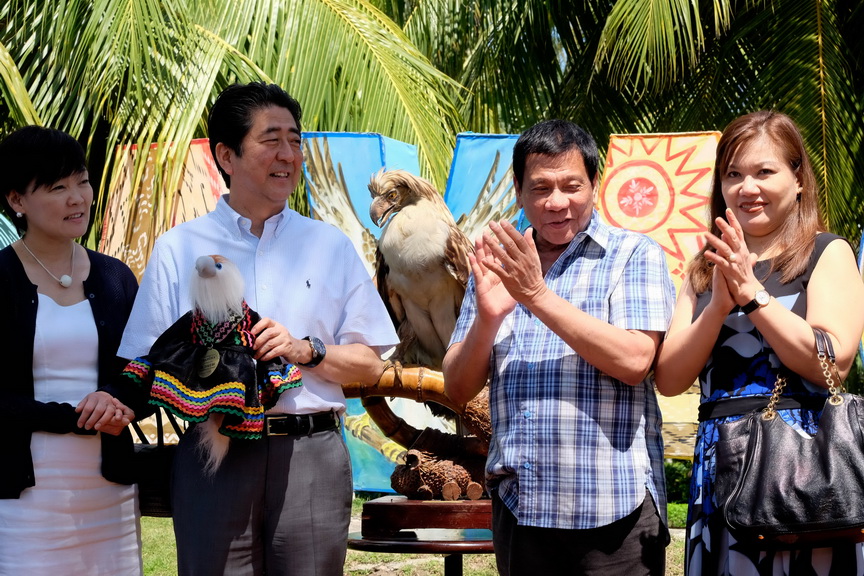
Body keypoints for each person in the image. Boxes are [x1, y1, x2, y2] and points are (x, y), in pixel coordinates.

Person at [117, 81, 398, 576]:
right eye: (271, 139)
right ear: (227, 154)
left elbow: (371, 364)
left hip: (310, 455)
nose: (288, 154)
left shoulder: (329, 245)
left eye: (295, 140)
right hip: (214, 451)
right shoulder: (179, 247)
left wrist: (305, 350)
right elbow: (145, 359)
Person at [442, 119, 676, 575]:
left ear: (594, 184)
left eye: (572, 186)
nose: (556, 203)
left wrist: (537, 296)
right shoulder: (497, 262)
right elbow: (457, 386)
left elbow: (634, 361)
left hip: (616, 509)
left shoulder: (632, 254)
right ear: (518, 190)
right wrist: (488, 318)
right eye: (540, 187)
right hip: (521, 506)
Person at [654, 110, 864, 574]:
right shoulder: (704, 267)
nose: (747, 187)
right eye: (733, 174)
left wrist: (753, 296)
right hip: (721, 463)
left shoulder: (826, 252)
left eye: (764, 172)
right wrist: (717, 308)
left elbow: (833, 359)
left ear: (799, 179)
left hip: (802, 462)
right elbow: (669, 378)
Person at [0, 126, 141, 575]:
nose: (77, 197)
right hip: (21, 498)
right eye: (57, 187)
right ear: (16, 200)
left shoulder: (116, 277)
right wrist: (79, 416)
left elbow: (145, 368)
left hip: (109, 492)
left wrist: (122, 400)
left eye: (81, 180)